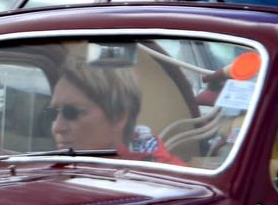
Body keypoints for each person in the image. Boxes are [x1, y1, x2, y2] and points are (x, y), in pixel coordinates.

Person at [47, 56, 185, 165]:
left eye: (71, 113)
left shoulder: (173, 184)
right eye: (55, 112)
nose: (57, 127)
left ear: (118, 117)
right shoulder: (49, 170)